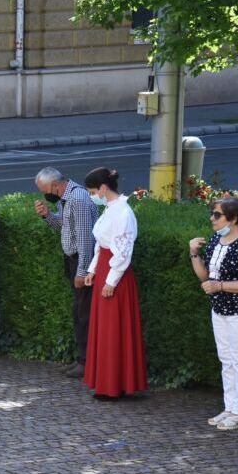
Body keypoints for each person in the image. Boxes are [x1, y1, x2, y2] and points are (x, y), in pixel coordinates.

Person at [82, 167, 147, 399]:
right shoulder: (110, 209)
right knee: (104, 329)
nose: (92, 195)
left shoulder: (123, 212)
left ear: (102, 188)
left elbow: (123, 251)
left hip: (115, 277)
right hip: (105, 272)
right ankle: (106, 383)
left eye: (92, 191)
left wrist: (110, 280)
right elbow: (102, 243)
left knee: (113, 330)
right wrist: (92, 269)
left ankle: (114, 385)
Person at [189, 196, 238, 430]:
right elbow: (206, 277)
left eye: (217, 215)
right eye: (212, 213)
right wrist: (194, 253)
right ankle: (230, 408)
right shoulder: (217, 240)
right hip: (220, 309)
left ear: (233, 218)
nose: (212, 219)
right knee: (226, 360)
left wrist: (221, 286)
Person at [34, 167, 99, 378]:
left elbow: (85, 239)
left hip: (81, 262)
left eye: (45, 190)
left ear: (55, 185)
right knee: (79, 313)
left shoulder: (77, 199)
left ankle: (87, 362)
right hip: (73, 261)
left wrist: (82, 271)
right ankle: (82, 359)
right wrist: (47, 216)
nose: (45, 194)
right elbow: (64, 226)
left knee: (84, 314)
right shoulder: (67, 198)